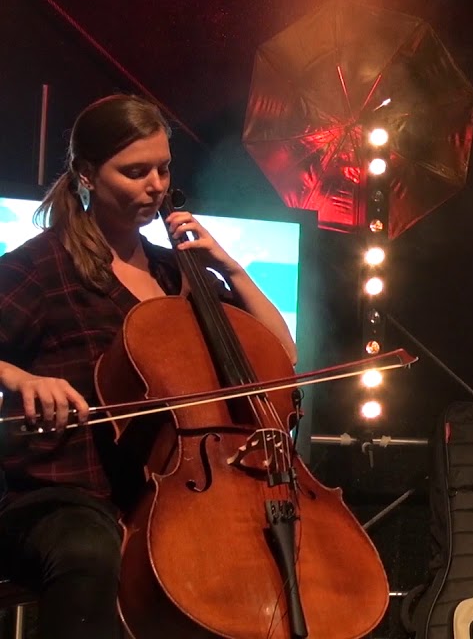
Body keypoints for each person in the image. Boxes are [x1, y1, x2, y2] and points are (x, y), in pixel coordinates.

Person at [0, 94, 298, 638]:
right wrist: (20, 377)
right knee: (89, 550)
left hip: (166, 492)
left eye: (163, 168)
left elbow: (281, 355)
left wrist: (229, 268)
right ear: (87, 173)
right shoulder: (45, 265)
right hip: (65, 494)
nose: (157, 186)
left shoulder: (174, 275)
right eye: (135, 172)